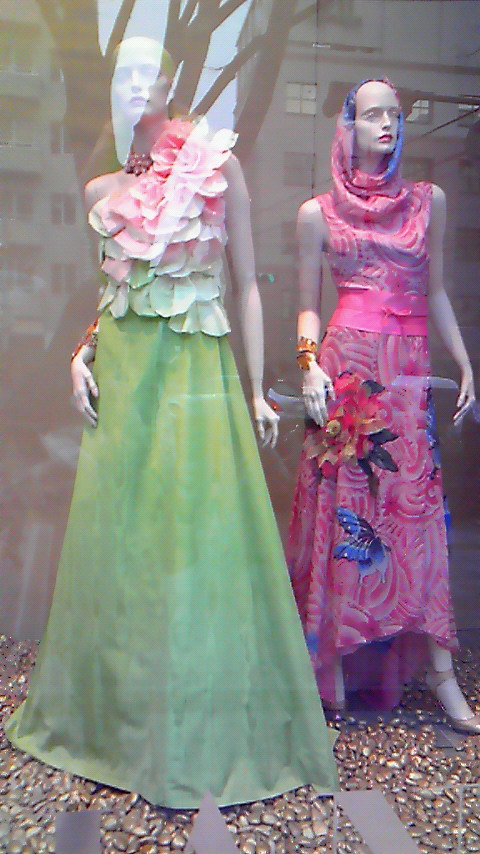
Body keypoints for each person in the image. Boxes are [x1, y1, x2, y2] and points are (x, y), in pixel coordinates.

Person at [5, 38, 337, 807]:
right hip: (126, 381)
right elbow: (116, 294)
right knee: (122, 545)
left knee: (196, 540)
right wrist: (80, 355)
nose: (133, 85)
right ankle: (115, 722)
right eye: (120, 73)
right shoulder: (101, 190)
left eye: (145, 72)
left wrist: (256, 388)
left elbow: (245, 284)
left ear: (167, 82)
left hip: (193, 373)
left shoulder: (217, 169)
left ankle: (197, 724)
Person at [287, 78, 480, 733]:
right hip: (346, 373)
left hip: (409, 373)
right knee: (345, 516)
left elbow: (437, 290)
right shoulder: (317, 213)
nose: (388, 126)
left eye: (395, 115)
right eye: (372, 116)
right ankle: (330, 665)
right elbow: (308, 304)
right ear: (348, 126)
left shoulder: (429, 202)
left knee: (416, 517)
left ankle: (442, 673)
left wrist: (465, 362)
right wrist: (307, 362)